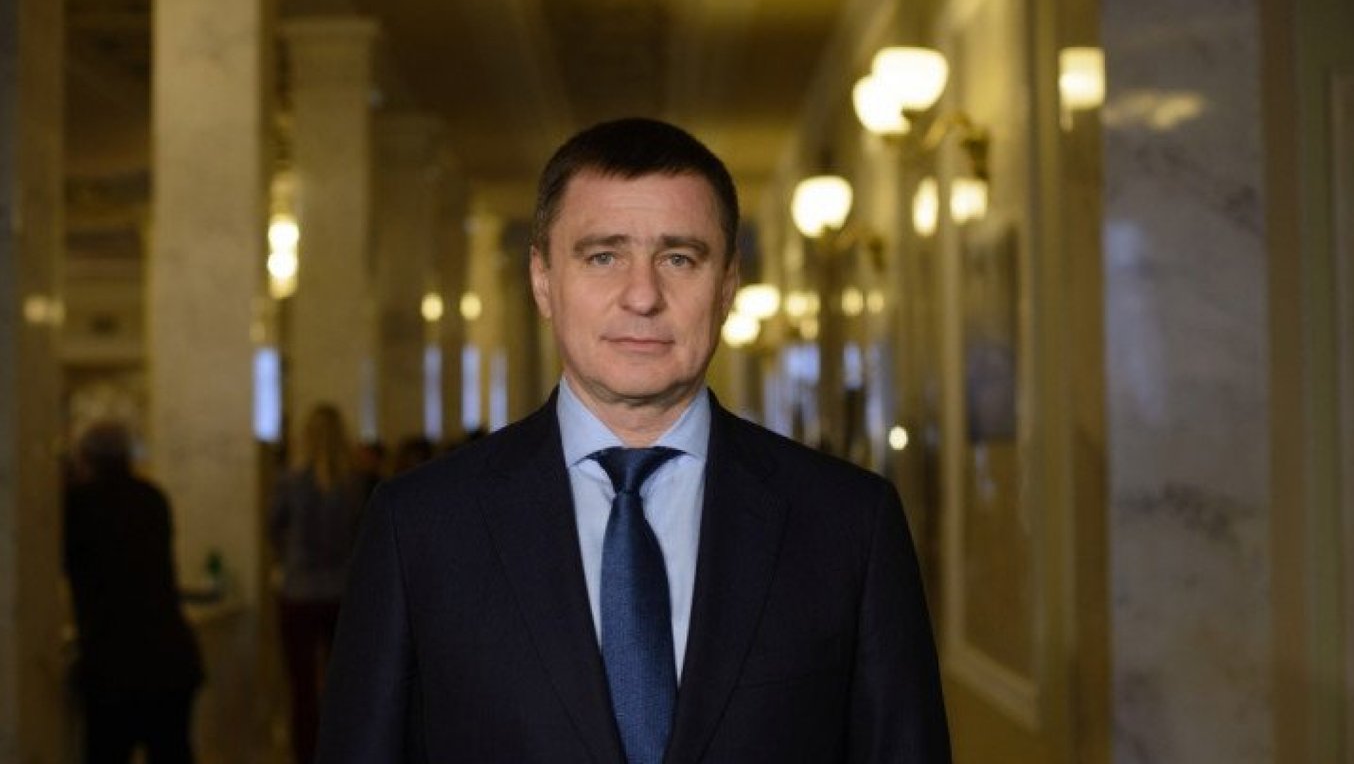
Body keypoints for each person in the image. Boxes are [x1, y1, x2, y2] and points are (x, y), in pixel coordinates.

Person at [317, 118, 951, 762]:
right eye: (603, 256)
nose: (643, 296)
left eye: (679, 258)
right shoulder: (418, 527)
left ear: (727, 285)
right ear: (543, 280)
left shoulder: (850, 523)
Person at [64, 420, 204, 764]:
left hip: (112, 666)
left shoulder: (78, 506)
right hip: (170, 660)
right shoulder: (152, 498)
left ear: (85, 459)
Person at [269, 403, 365, 764]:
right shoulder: (353, 483)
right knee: (343, 684)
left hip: (299, 591)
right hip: (341, 591)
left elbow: (274, 529)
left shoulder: (290, 481)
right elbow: (360, 535)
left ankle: (306, 754)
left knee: (302, 687)